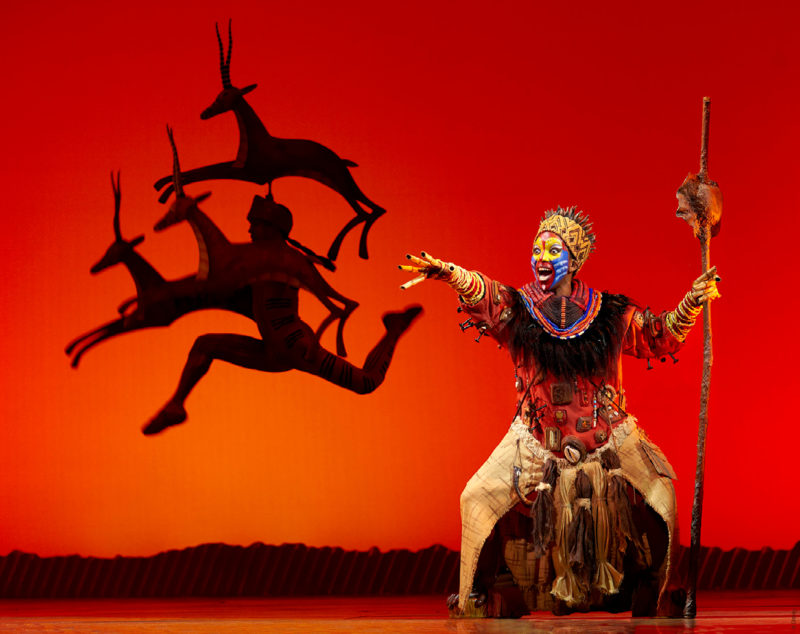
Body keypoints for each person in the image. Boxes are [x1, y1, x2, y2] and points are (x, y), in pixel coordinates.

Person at [400, 195, 720, 617]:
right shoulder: (519, 309)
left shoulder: (610, 313)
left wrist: (692, 301)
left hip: (609, 438)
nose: (541, 258)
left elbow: (656, 334)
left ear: (574, 258)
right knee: (475, 498)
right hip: (536, 442)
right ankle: (477, 596)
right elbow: (486, 292)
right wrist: (449, 273)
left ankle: (663, 593)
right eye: (536, 249)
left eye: (553, 250)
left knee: (664, 498)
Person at [143, 195, 421, 435]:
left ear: (270, 228)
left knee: (365, 382)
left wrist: (194, 214)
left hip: (296, 347)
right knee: (205, 344)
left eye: (255, 224)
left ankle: (394, 330)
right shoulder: (260, 258)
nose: (249, 229)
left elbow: (223, 257)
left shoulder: (279, 258)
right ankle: (176, 405)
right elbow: (221, 272)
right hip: (272, 349)